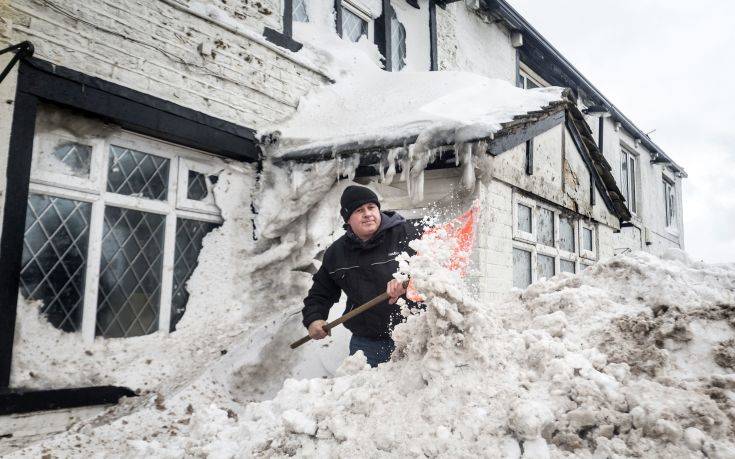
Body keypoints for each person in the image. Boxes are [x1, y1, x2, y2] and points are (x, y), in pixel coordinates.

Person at [301, 185, 421, 367]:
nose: (367, 214)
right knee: (366, 393)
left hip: (416, 336)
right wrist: (314, 319)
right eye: (359, 210)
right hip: (368, 343)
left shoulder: (407, 233)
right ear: (348, 218)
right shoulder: (337, 254)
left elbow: (436, 269)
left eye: (371, 208)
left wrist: (407, 281)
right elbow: (320, 293)